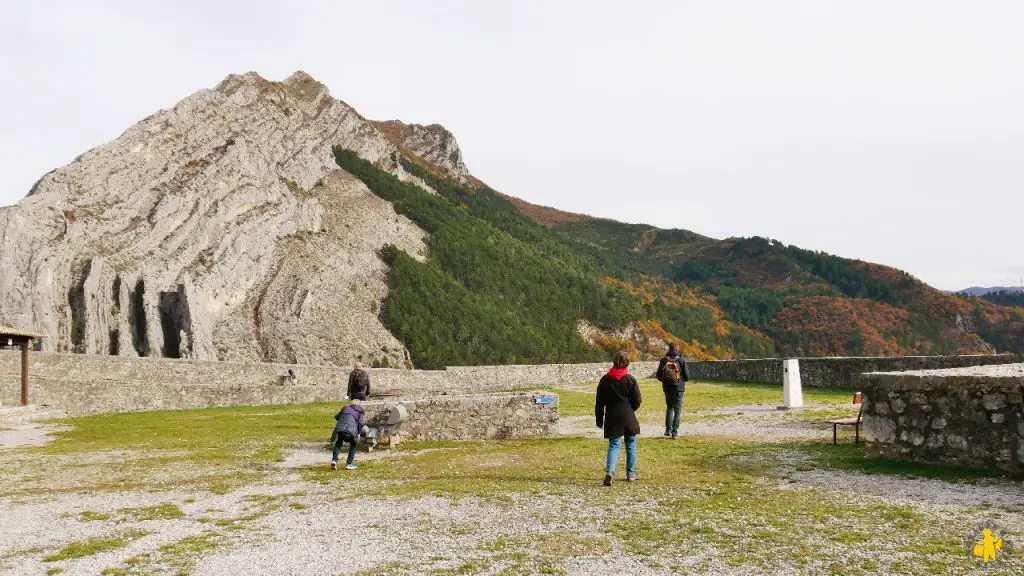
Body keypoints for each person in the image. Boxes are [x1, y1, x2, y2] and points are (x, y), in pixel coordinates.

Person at [595, 351, 642, 486]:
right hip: (628, 415)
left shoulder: (605, 380)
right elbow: (638, 400)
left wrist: (599, 420)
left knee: (614, 445)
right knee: (631, 444)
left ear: (614, 362)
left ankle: (610, 472)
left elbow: (599, 403)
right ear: (627, 363)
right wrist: (630, 409)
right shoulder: (630, 379)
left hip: (612, 417)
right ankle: (631, 474)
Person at [656, 342, 690, 439]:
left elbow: (658, 376)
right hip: (679, 388)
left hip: (667, 387)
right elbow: (687, 377)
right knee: (677, 410)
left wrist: (666, 380)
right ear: (677, 350)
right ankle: (674, 433)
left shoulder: (663, 360)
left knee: (669, 408)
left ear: (669, 349)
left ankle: (668, 430)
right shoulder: (681, 361)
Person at [331, 395, 367, 470]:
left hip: (340, 429)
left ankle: (334, 461)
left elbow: (337, 417)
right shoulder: (359, 412)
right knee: (354, 445)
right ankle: (349, 463)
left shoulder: (345, 408)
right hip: (351, 431)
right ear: (359, 404)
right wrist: (358, 433)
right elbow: (361, 423)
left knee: (338, 443)